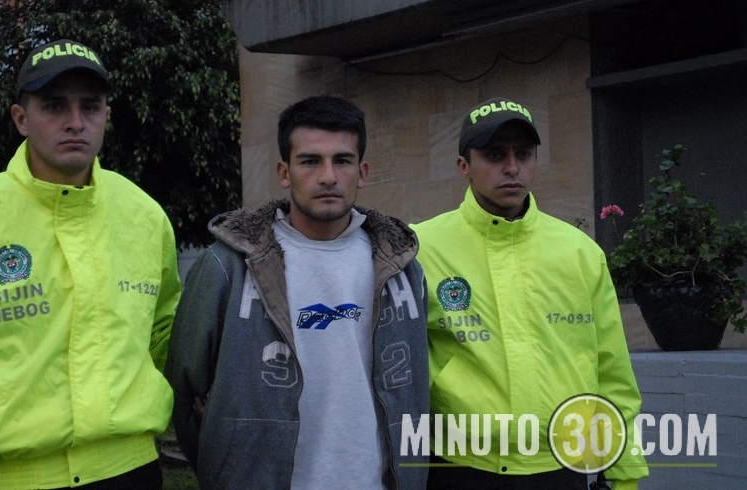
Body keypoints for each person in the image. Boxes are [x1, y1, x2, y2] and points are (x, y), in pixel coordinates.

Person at [0, 39, 181, 490]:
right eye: (54, 105)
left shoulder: (145, 217)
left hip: (131, 470)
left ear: (107, 115)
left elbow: (162, 335)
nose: (75, 122)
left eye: (90, 106)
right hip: (15, 478)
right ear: (21, 118)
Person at [165, 95, 429, 489]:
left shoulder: (402, 266)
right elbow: (185, 390)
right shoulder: (227, 265)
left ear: (363, 171)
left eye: (342, 161)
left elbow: (415, 391)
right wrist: (227, 468)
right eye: (310, 161)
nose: (328, 177)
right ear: (284, 172)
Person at [411, 97, 648, 490]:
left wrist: (624, 473)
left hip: (562, 466)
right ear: (463, 165)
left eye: (523, 154)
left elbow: (612, 371)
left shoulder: (580, 252)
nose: (512, 167)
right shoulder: (420, 248)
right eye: (494, 155)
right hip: (460, 467)